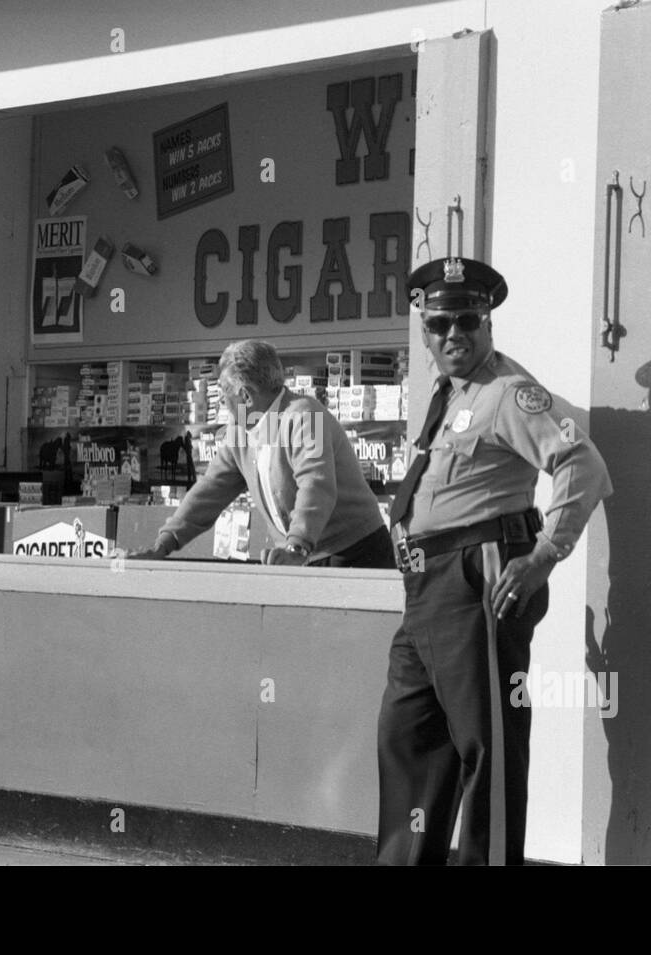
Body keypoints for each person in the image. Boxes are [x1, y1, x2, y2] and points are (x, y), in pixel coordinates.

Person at [377, 256, 613, 865]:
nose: (453, 334)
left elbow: (582, 465)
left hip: (477, 572)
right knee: (410, 740)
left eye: (466, 321)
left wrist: (544, 555)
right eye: (439, 324)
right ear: (424, 330)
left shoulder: (508, 392)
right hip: (427, 588)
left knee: (489, 747)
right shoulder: (448, 397)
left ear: (487, 323)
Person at [127, 339, 394, 568]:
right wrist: (163, 544)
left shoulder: (305, 415)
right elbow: (210, 490)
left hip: (354, 551)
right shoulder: (240, 431)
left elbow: (316, 485)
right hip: (300, 555)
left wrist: (296, 547)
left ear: (245, 396)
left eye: (223, 394)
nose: (222, 402)